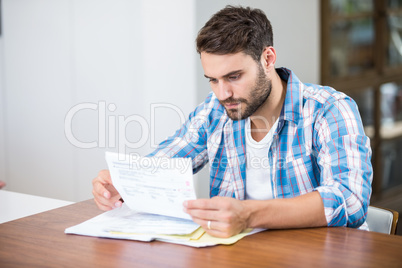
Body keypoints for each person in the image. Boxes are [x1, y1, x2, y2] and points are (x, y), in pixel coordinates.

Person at [92, 6, 372, 238]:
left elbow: (349, 199)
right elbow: (163, 166)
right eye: (213, 80)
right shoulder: (215, 112)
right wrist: (123, 184)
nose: (223, 93)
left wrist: (249, 214)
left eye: (234, 77)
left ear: (268, 59)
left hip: (323, 256)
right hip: (243, 254)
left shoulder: (329, 109)